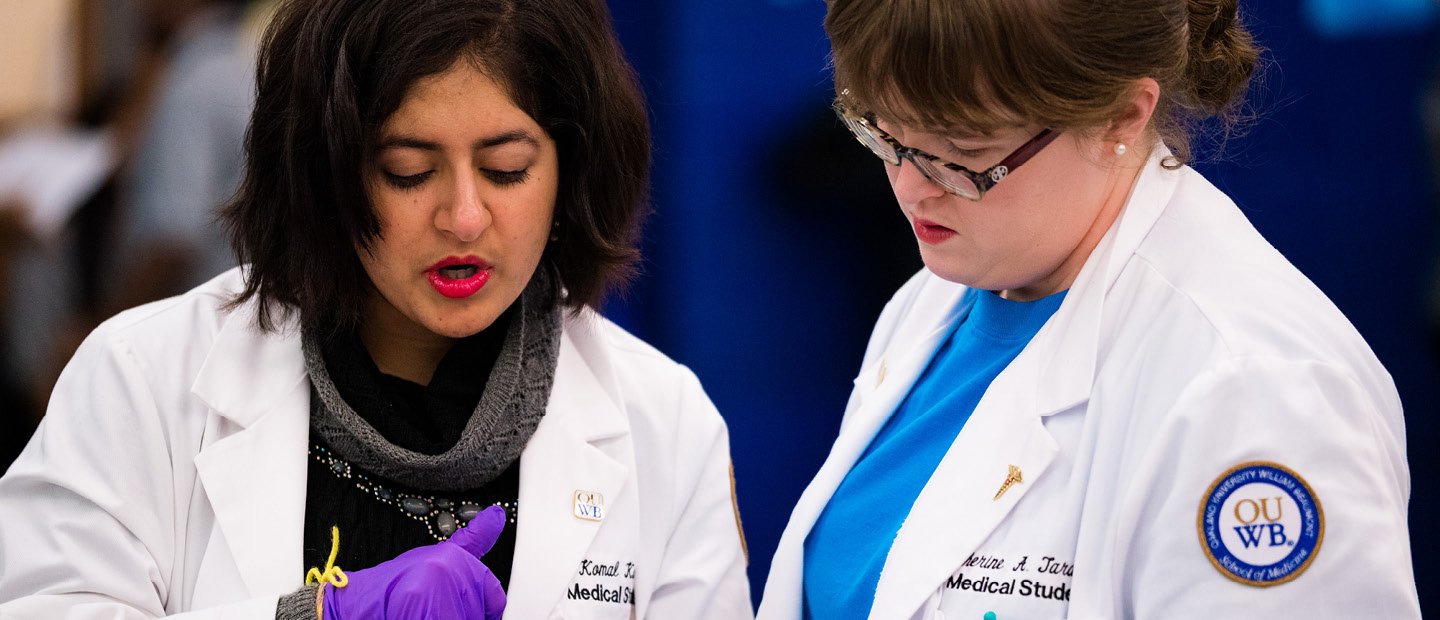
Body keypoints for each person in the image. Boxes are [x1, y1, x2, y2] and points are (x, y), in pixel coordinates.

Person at [0, 0, 753, 618]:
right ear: (325, 172)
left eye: (506, 169)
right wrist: (312, 615)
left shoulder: (665, 425)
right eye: (407, 171)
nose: (463, 216)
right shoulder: (140, 380)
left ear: (572, 170)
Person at [757, 0, 1421, 618]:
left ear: (1121, 116)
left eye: (964, 152)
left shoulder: (1255, 389)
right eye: (884, 134)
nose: (910, 187)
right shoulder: (935, 302)